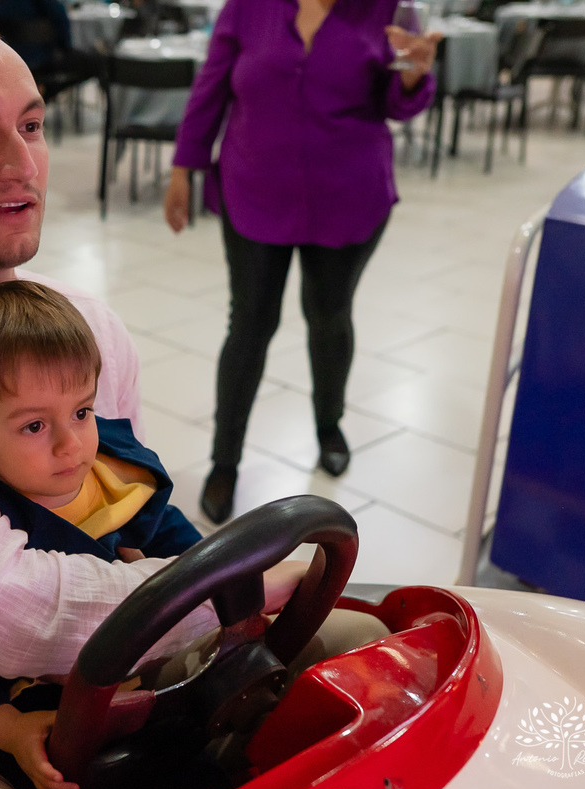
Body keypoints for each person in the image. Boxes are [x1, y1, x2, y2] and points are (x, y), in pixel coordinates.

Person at [0, 11, 383, 789]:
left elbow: (125, 518)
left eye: (30, 125)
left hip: (94, 672)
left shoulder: (88, 330)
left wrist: (211, 586)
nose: (19, 163)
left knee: (363, 654)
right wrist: (239, 585)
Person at [0, 280, 292, 789]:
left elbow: (191, 557)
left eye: (81, 412)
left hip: (146, 688)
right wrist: (12, 731)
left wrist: (246, 587)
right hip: (47, 719)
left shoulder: (116, 478)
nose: (71, 445)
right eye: (33, 427)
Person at [163, 0, 442, 524]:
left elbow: (397, 104)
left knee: (330, 313)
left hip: (349, 193)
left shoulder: (387, 10)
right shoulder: (248, 8)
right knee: (249, 322)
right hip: (255, 187)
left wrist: (413, 76)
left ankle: (328, 424)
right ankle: (225, 461)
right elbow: (213, 86)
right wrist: (184, 165)